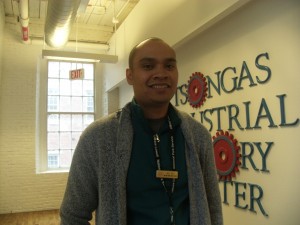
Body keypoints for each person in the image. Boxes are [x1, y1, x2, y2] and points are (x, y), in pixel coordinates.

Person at [60, 37, 223, 225]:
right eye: (148, 66)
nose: (161, 73)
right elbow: (72, 215)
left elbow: (213, 209)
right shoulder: (98, 137)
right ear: (130, 75)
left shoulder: (198, 135)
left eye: (169, 66)